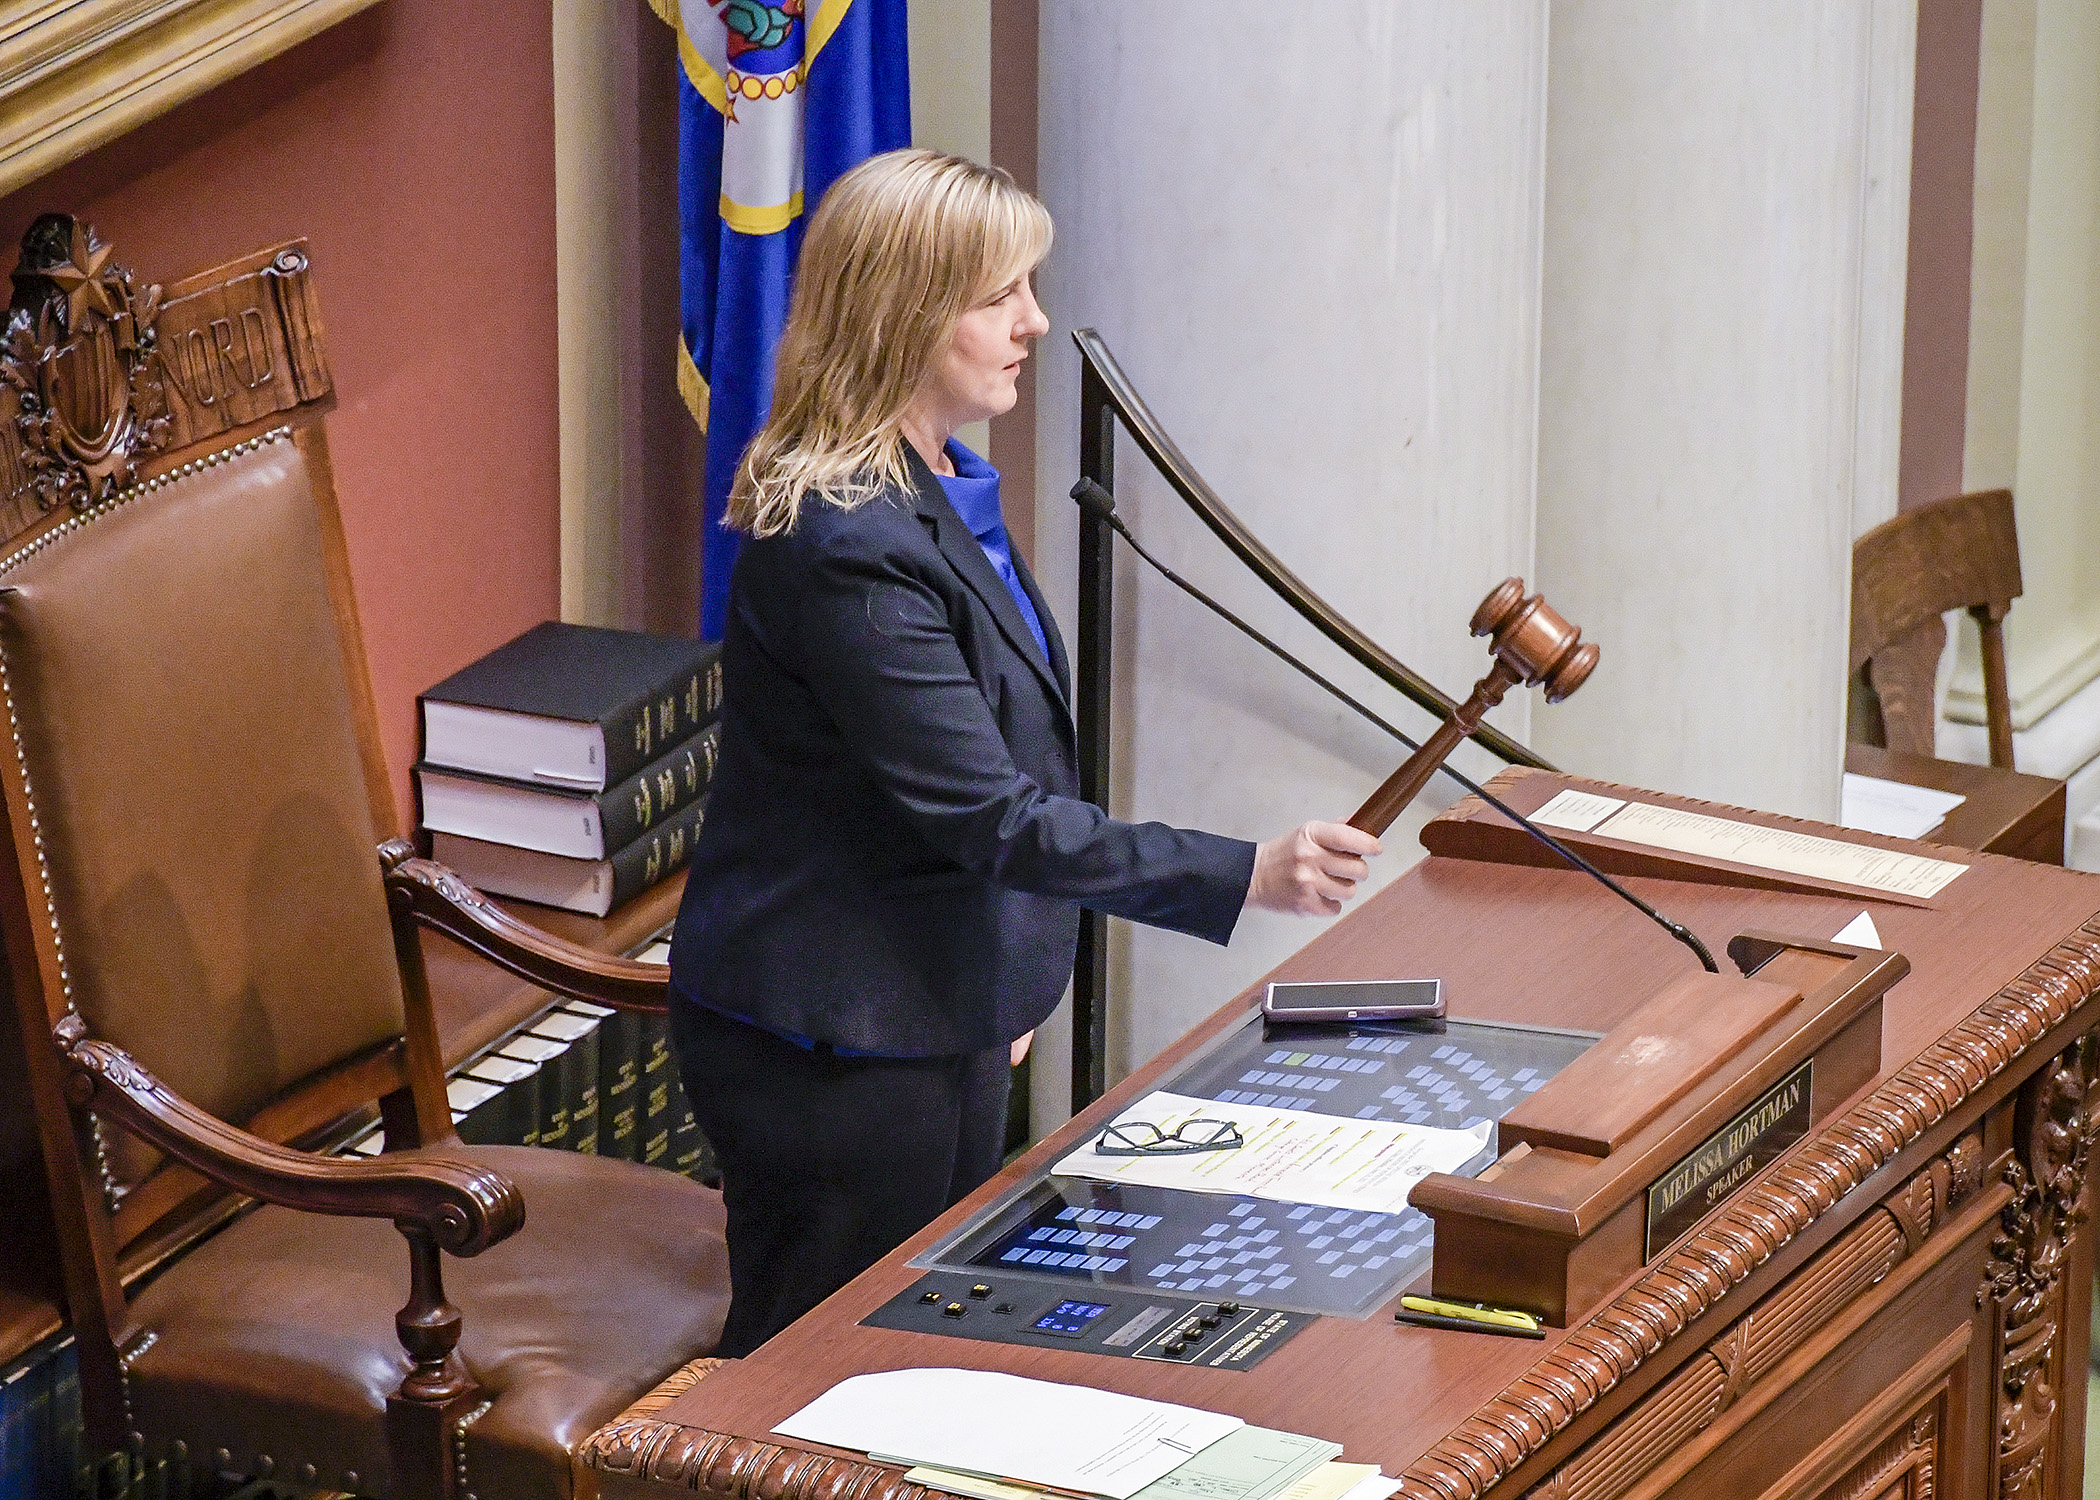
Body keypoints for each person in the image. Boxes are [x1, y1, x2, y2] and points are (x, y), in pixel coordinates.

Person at [667, 148, 1382, 1357]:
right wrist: (1245, 870)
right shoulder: (850, 543)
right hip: (836, 1042)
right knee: (816, 1373)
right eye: (1000, 296)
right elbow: (988, 813)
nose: (1034, 323)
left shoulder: (939, 484)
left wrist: (1000, 977)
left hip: (930, 1003)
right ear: (906, 311)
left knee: (925, 1344)